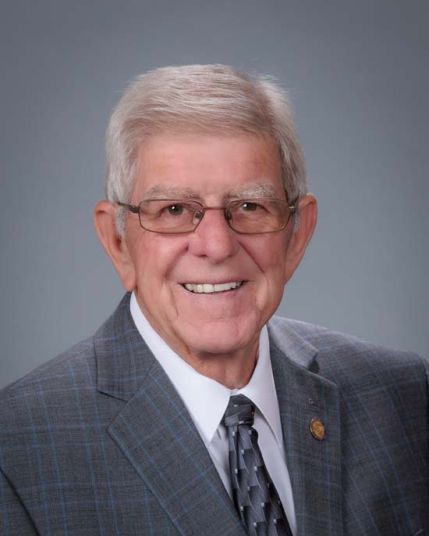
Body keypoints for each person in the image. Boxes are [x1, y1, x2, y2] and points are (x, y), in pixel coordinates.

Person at [0, 65, 427, 536]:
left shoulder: (402, 396)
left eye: (249, 206)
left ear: (297, 234)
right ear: (118, 242)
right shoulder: (16, 450)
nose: (217, 246)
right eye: (174, 210)